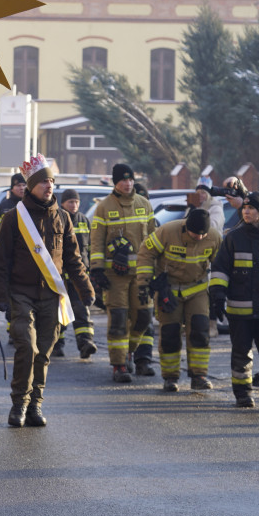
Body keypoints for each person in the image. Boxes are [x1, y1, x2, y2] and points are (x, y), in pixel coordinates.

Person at [0, 155, 94, 427]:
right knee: (26, 345)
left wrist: (85, 288)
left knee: (45, 351)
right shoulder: (14, 218)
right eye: (43, 182)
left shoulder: (63, 218)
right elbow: (1, 261)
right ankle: (18, 405)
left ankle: (35, 404)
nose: (49, 186)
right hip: (21, 293)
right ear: (31, 185)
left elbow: (73, 258)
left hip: (51, 294)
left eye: (51, 181)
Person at [137, 207, 222, 391]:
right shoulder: (168, 231)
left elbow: (220, 265)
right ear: (186, 227)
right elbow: (146, 252)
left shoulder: (214, 237)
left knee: (200, 331)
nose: (199, 237)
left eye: (203, 234)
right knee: (170, 333)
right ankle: (170, 377)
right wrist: (145, 282)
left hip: (197, 289)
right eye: (194, 233)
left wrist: (219, 292)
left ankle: (199, 375)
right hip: (169, 290)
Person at [89, 163, 156, 382]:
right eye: (122, 180)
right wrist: (97, 270)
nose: (127, 184)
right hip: (114, 276)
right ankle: (119, 365)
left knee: (144, 316)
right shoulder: (104, 207)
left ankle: (129, 350)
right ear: (114, 182)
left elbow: (154, 239)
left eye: (130, 179)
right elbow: (97, 240)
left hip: (141, 275)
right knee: (118, 318)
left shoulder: (144, 204)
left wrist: (158, 270)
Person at [210, 191, 259, 409]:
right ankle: (243, 395)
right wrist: (217, 296)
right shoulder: (233, 238)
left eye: (251, 208)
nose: (246, 211)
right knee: (241, 353)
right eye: (244, 208)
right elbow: (220, 269)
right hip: (240, 312)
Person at [54, 188, 98, 359]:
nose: (74, 205)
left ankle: (86, 343)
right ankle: (57, 344)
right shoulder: (57, 220)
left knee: (82, 310)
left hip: (80, 277)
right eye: (70, 202)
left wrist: (92, 270)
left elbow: (91, 247)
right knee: (60, 312)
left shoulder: (84, 221)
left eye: (76, 202)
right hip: (60, 278)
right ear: (63, 203)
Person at [0, 172, 26, 242]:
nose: (22, 188)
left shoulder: (32, 205)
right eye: (18, 185)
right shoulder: (3, 207)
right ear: (12, 188)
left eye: (24, 185)